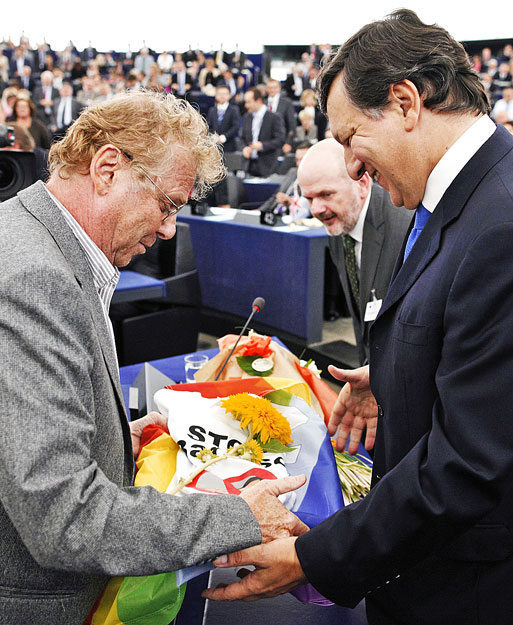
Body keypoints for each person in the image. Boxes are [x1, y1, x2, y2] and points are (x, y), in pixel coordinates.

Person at [204, 10, 513, 625]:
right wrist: (394, 372)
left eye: (350, 139)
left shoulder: (498, 220)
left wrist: (315, 557)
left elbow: (471, 460)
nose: (349, 167)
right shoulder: (457, 199)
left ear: (405, 102)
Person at [0, 90, 307, 625]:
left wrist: (115, 440)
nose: (168, 229)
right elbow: (63, 518)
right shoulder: (35, 279)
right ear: (107, 168)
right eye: (166, 204)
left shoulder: (37, 243)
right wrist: (239, 515)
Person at [299, 138, 410, 366]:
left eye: (326, 194)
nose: (316, 210)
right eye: (309, 198)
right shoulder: (340, 226)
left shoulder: (404, 227)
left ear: (362, 184)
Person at [259, 140, 312, 220]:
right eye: (297, 160)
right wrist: (259, 211)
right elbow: (274, 197)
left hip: (292, 218)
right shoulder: (292, 172)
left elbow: (308, 209)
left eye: (302, 159)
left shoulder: (314, 181)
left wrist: (290, 202)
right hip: (273, 216)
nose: (298, 164)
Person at [241, 87, 285, 177]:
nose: (246, 105)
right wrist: (244, 148)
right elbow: (242, 138)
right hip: (249, 166)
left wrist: (262, 145)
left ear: (259, 101)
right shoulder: (247, 117)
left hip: (268, 167)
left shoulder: (274, 117)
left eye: (249, 102)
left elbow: (280, 140)